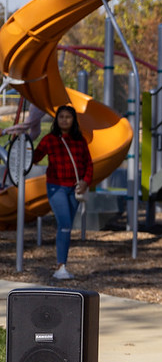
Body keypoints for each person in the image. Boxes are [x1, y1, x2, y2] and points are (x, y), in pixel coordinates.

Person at [32, 105, 93, 280]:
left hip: (74, 188)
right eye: (61, 117)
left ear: (73, 120)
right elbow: (35, 157)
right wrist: (24, 143)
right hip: (55, 187)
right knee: (65, 224)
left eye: (68, 117)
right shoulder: (49, 140)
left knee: (66, 227)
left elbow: (89, 164)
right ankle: (60, 266)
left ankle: (63, 265)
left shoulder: (80, 141)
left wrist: (85, 181)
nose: (64, 120)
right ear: (56, 120)